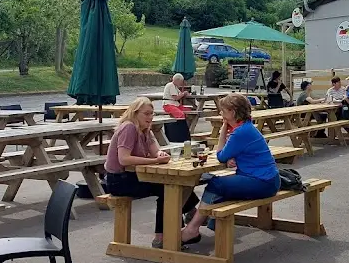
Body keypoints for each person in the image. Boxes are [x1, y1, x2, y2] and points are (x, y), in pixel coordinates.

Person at [103, 97, 200, 249]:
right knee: (168, 189)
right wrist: (155, 161)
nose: (150, 117)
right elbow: (124, 159)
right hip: (118, 180)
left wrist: (160, 155)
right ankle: (163, 236)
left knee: (176, 184)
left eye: (152, 113)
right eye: (146, 114)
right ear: (135, 113)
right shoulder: (129, 128)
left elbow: (156, 151)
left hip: (133, 175)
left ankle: (186, 219)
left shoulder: (145, 129)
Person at [181, 93, 280, 240]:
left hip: (263, 182)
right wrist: (232, 157)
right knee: (221, 184)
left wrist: (222, 131)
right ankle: (212, 224)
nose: (221, 114)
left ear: (232, 112)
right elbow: (235, 153)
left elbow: (221, 156)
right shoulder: (246, 128)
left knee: (216, 184)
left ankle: (192, 229)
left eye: (223, 111)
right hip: (268, 180)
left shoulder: (240, 132)